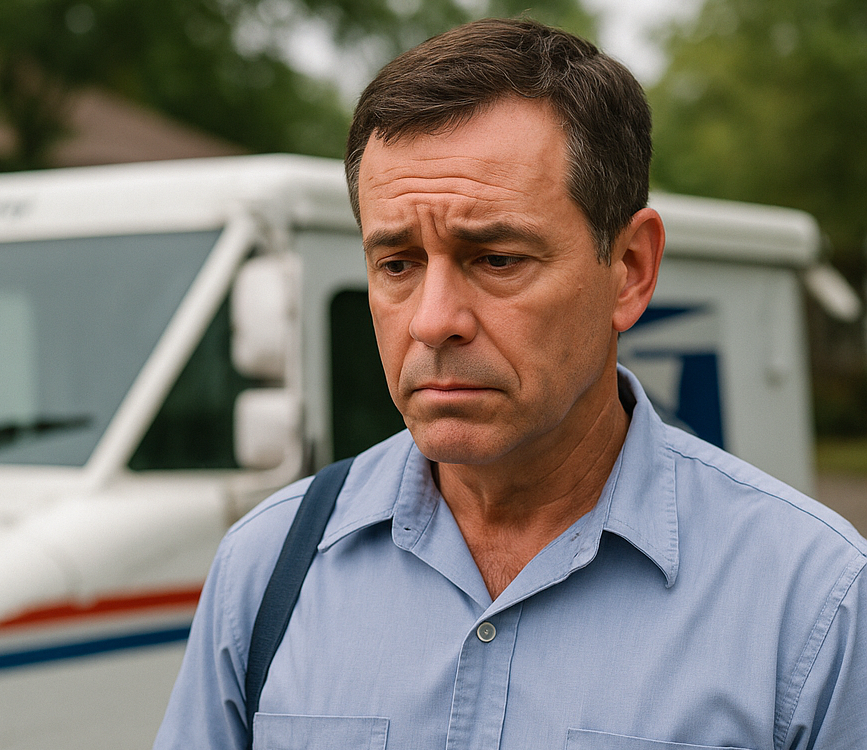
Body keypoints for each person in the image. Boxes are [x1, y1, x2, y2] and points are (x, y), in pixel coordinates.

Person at [154, 17, 867, 749]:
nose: (433, 322)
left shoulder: (812, 600)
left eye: (496, 258)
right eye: (396, 263)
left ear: (630, 270)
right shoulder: (269, 568)